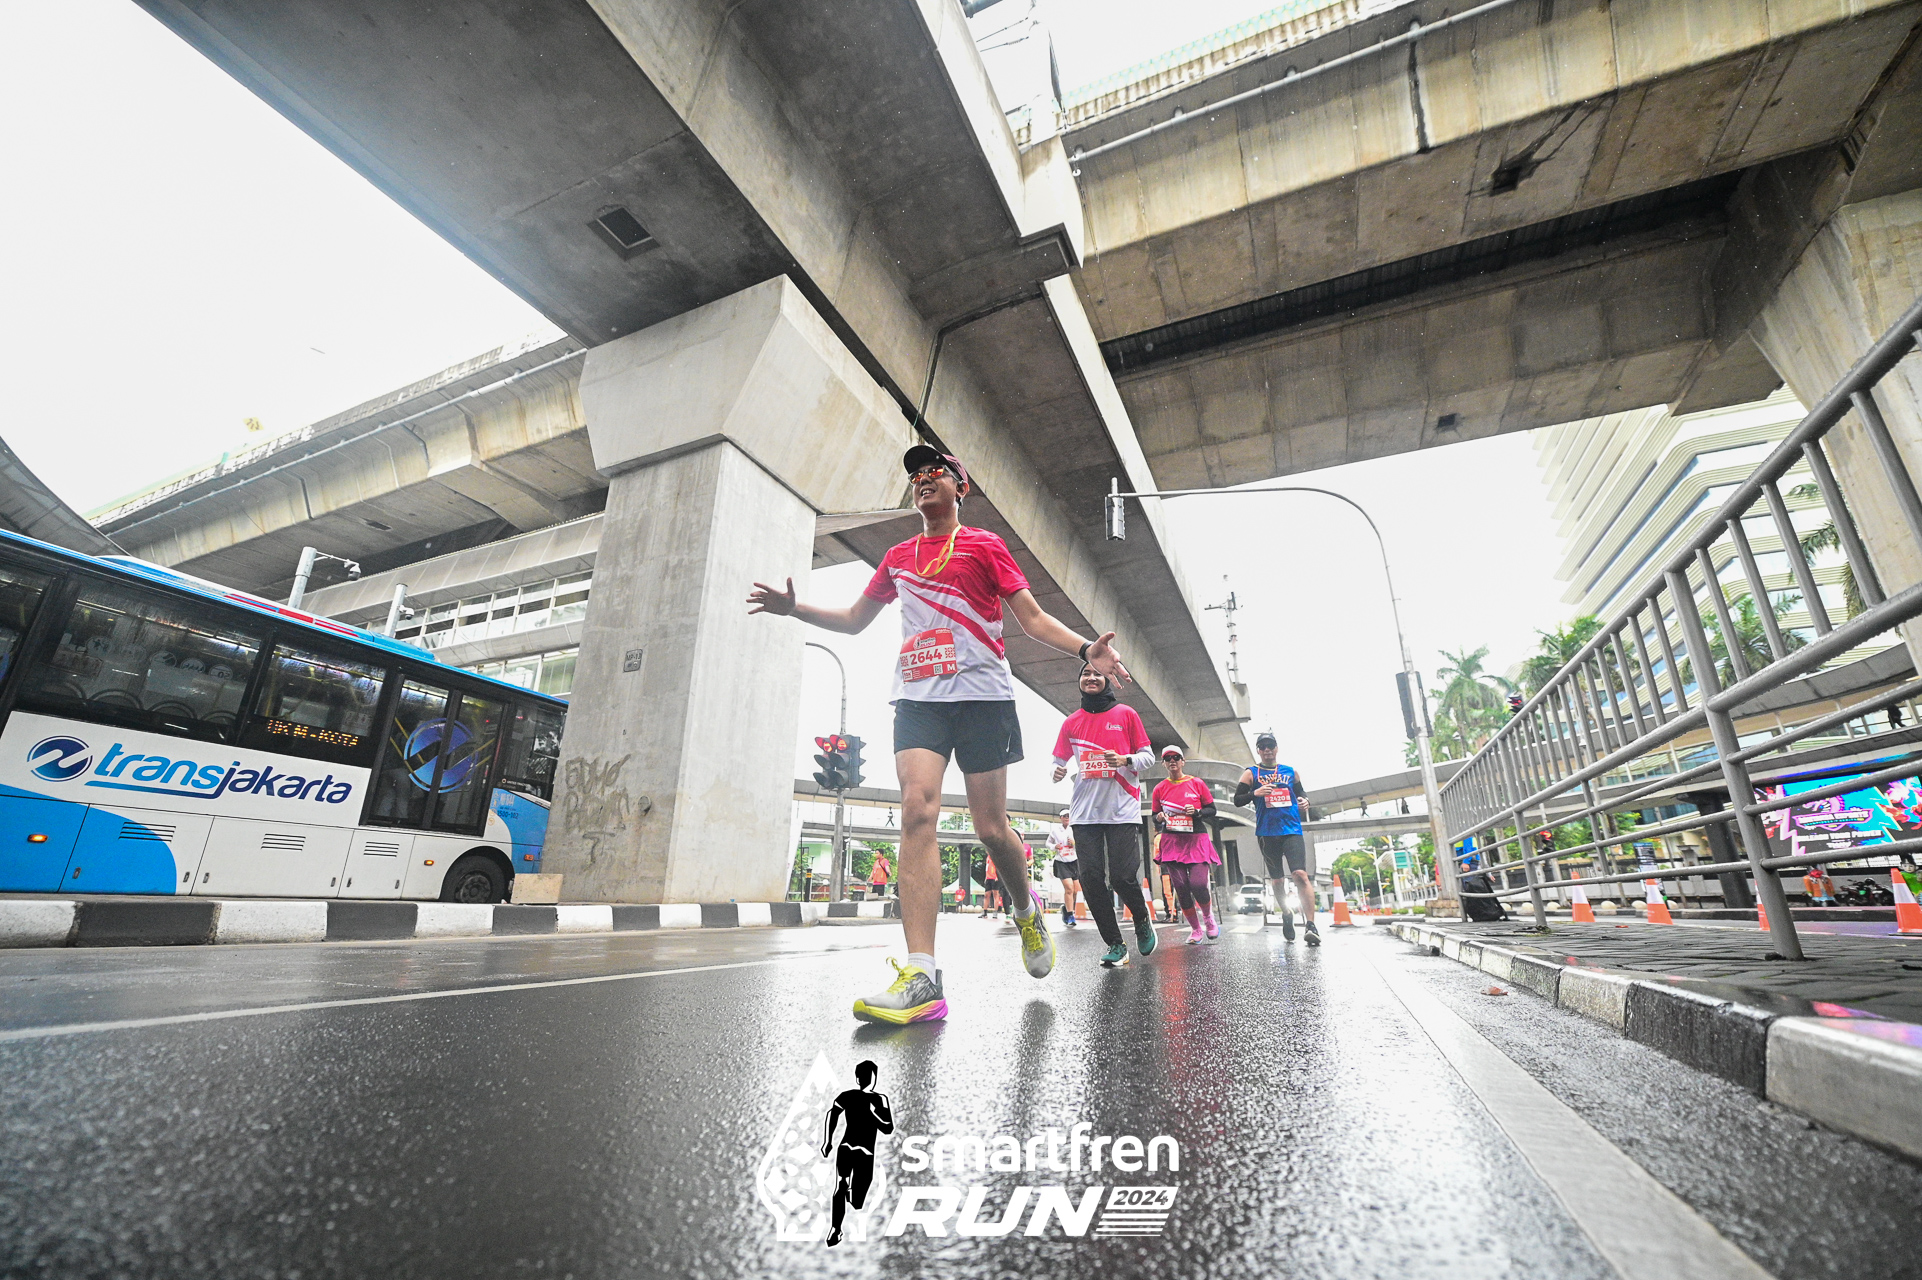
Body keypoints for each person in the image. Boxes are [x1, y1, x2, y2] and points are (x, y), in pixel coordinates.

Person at [748, 444, 1131, 1024]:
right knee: (917, 810)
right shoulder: (898, 556)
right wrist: (796, 609)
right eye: (916, 476)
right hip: (919, 700)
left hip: (982, 700)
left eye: (935, 472)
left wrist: (1085, 649)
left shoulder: (984, 545)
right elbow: (854, 620)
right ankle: (923, 975)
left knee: (991, 829)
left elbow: (1030, 619)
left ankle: (1025, 908)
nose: (923, 480)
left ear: (960, 487)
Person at [1051, 665, 1159, 965]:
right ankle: (1115, 944)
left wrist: (1125, 759)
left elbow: (1148, 757)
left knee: (1122, 877)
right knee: (1090, 879)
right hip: (1085, 813)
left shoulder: (1126, 714)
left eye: (1097, 674)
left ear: (1106, 680)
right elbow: (1058, 760)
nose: (1091, 678)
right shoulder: (1071, 722)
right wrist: (1057, 770)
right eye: (1085, 673)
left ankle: (1141, 918)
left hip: (1122, 810)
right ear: (1080, 680)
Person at [1233, 732, 1320, 947]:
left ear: (1277, 748)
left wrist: (1305, 801)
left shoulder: (1290, 772)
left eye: (1270, 746)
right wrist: (1256, 793)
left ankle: (1311, 925)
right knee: (1278, 881)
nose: (1267, 750)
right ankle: (1286, 912)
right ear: (1258, 751)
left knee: (1300, 875)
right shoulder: (1251, 773)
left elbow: (1302, 794)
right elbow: (1237, 800)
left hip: (1291, 830)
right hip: (1267, 833)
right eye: (1263, 747)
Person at [1151, 744, 1222, 943]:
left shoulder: (1196, 783)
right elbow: (1154, 815)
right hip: (1172, 842)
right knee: (1181, 888)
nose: (1172, 761)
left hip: (1196, 840)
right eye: (1168, 758)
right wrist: (1159, 817)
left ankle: (1208, 919)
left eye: (1176, 757)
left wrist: (1197, 812)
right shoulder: (1159, 788)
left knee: (1198, 884)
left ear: (1183, 761)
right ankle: (1195, 929)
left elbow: (1212, 809)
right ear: (1164, 764)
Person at [820, 1059, 893, 1247]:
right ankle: (836, 1228)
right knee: (841, 1185)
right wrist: (828, 1140)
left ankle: (847, 1196)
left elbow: (888, 1128)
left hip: (859, 1152)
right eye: (866, 1077)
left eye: (870, 1076)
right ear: (859, 1078)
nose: (868, 1080)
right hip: (852, 1149)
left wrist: (871, 1114)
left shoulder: (878, 1099)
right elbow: (832, 1114)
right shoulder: (852, 1096)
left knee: (856, 1201)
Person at [1045, 808, 1079, 926]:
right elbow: (1048, 843)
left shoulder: (1075, 828)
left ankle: (1066, 909)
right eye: (1064, 816)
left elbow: (1083, 843)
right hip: (1061, 862)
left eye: (1068, 815)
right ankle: (1070, 915)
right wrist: (1055, 846)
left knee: (1075, 890)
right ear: (1060, 818)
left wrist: (1074, 843)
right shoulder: (1055, 830)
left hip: (1074, 861)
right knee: (1069, 888)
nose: (1067, 818)